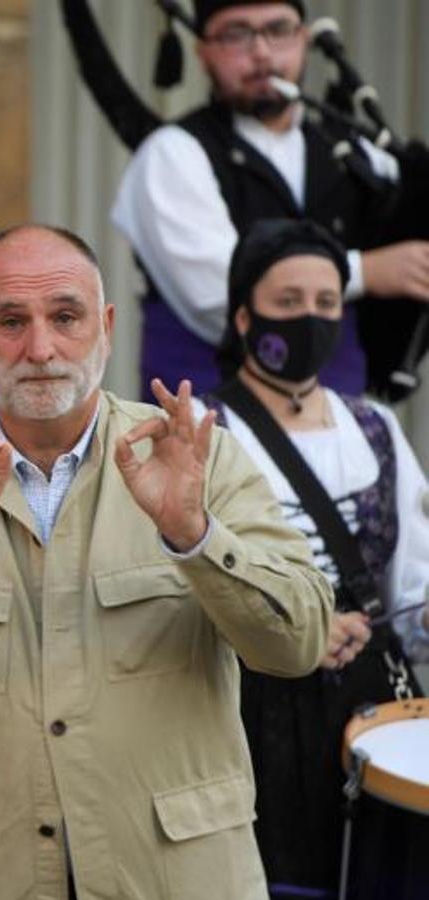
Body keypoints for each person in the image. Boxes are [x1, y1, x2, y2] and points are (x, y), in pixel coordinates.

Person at [0, 224, 334, 900]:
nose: (40, 348)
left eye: (65, 316)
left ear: (106, 327)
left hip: (182, 880)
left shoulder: (197, 459)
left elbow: (299, 644)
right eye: (9, 321)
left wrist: (195, 536)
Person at [196, 218, 429, 898]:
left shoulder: (376, 427)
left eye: (327, 304)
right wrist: (288, 629)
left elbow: (413, 579)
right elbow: (178, 586)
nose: (310, 319)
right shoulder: (202, 434)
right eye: (288, 302)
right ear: (243, 315)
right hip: (250, 711)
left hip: (373, 706)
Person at [111, 0, 429, 398]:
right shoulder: (172, 154)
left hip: (340, 423)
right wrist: (366, 272)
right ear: (203, 50)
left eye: (278, 30)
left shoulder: (357, 152)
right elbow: (216, 294)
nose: (261, 52)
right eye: (236, 34)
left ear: (304, 40)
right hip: (203, 431)